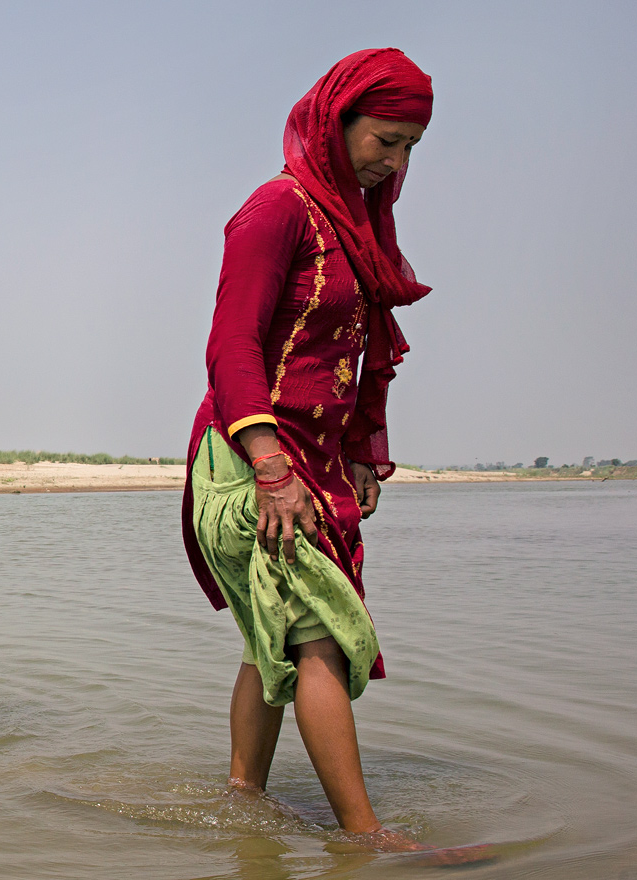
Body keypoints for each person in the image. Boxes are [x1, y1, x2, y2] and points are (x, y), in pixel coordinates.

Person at [181, 49, 433, 847]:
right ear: (338, 120)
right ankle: (363, 836)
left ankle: (243, 803)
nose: (392, 163)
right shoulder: (277, 209)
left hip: (311, 463)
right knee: (319, 635)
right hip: (248, 454)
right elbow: (231, 348)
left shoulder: (356, 228)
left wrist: (357, 454)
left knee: (274, 635)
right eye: (385, 140)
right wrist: (270, 466)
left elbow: (361, 357)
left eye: (408, 150)